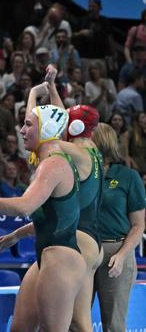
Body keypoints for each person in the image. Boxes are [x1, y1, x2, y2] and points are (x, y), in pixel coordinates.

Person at [0, 104, 87, 331]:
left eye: (28, 124)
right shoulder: (50, 163)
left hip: (61, 258)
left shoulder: (54, 165)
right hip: (48, 256)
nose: (21, 130)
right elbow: (53, 216)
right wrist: (16, 234)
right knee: (20, 328)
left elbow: (24, 207)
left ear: (48, 129)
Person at [92, 123, 145, 332]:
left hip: (116, 251)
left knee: (114, 324)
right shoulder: (80, 175)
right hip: (85, 251)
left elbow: (138, 225)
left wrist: (122, 255)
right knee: (74, 321)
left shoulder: (128, 177)